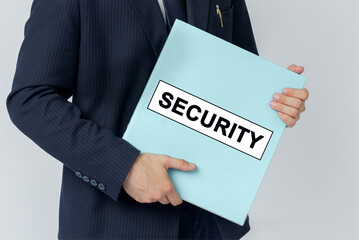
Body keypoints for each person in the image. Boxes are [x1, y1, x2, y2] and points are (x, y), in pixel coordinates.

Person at [6, 0, 309, 239]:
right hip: (116, 224)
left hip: (211, 222)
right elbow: (30, 98)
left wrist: (274, 102)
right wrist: (125, 166)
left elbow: (237, 73)